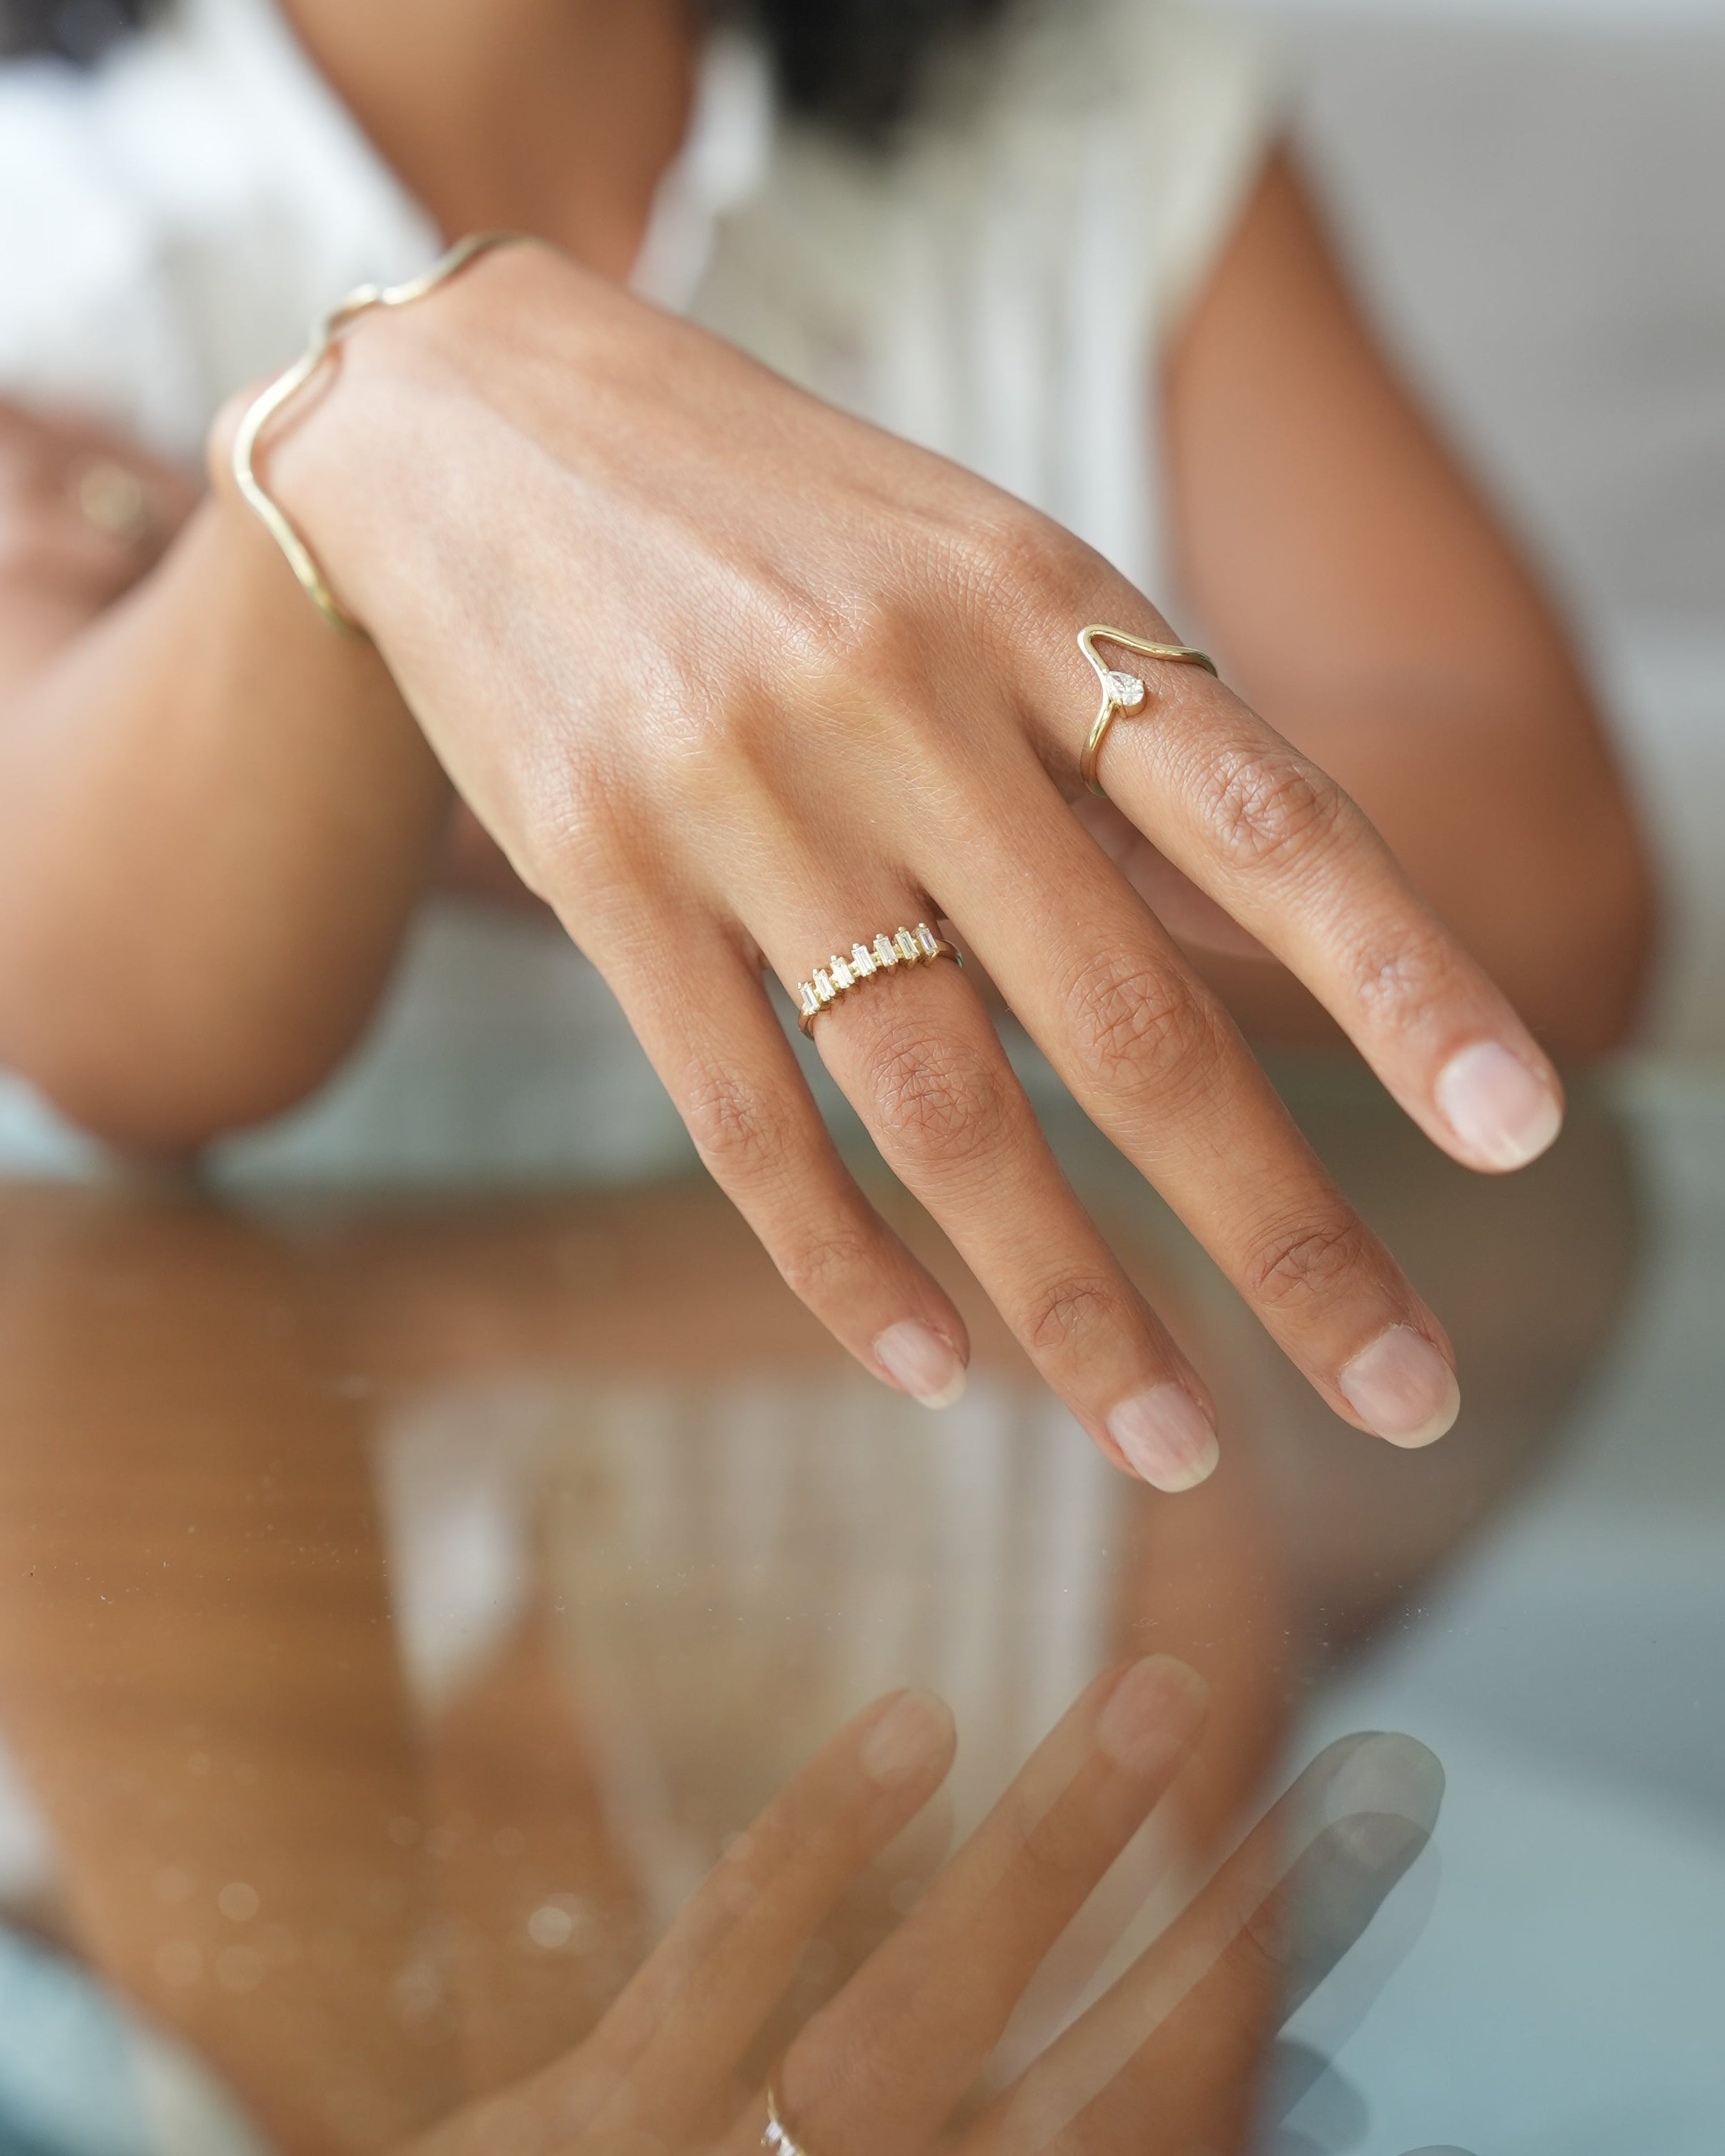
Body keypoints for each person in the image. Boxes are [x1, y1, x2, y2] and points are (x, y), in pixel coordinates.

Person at [0, 0, 1654, 1493]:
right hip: (235, 1535)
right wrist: (377, 431)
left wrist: (553, 731)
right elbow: (101, 1008)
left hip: (1014, 1534)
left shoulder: (1096, 103)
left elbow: (1554, 895)